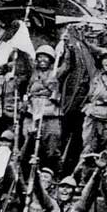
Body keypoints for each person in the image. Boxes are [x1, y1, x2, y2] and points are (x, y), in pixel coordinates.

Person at [24, 45, 63, 173]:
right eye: (40, 56)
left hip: (50, 114)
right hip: (33, 113)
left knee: (52, 148)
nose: (42, 60)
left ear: (51, 60)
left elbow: (67, 65)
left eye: (46, 57)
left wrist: (67, 48)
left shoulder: (55, 73)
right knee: (28, 145)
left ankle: (52, 174)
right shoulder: (32, 73)